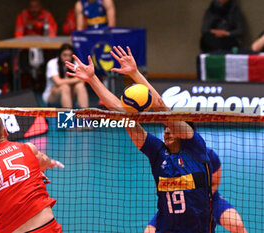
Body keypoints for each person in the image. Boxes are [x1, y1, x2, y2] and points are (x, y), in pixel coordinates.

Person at [65, 46, 216, 232]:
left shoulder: (196, 148)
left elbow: (161, 108)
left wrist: (135, 74)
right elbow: (123, 117)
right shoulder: (158, 154)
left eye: (171, 127)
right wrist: (92, 79)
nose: (166, 131)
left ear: (185, 131)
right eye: (164, 128)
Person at [0, 110, 64, 233]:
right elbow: (44, 160)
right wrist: (51, 163)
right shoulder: (28, 149)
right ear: (5, 131)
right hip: (47, 227)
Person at [144, 147, 248, 233]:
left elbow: (215, 183)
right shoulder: (166, 158)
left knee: (237, 224)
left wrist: (198, 200)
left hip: (210, 201)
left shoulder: (208, 155)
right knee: (149, 231)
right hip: (176, 205)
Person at [43, 43, 88, 108]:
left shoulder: (75, 63)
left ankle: (86, 115)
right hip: (53, 96)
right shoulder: (52, 63)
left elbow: (82, 81)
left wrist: (64, 82)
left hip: (70, 95)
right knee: (65, 87)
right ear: (59, 55)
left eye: (70, 55)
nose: (67, 58)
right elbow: (58, 82)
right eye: (65, 55)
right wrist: (77, 79)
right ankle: (68, 116)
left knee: (80, 86)